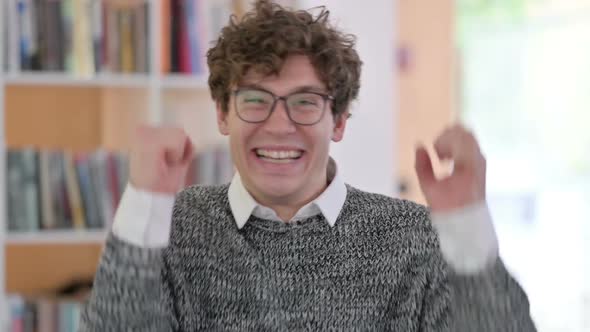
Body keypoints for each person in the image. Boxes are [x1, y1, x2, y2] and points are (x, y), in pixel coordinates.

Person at [80, 1, 537, 331]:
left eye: (305, 102)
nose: (279, 126)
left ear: (338, 121)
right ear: (222, 114)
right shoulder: (167, 227)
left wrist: (467, 227)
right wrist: (143, 204)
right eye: (256, 100)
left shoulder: (414, 237)